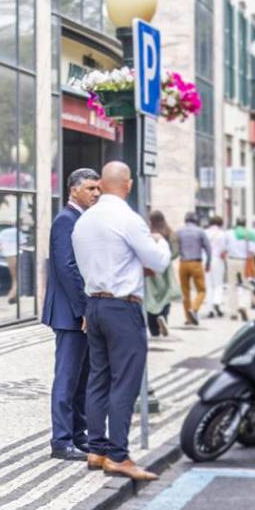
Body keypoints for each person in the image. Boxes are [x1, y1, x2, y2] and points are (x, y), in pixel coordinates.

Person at [71, 162, 170, 482]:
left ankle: (96, 449)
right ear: (127, 185)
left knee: (99, 377)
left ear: (101, 183)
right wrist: (161, 242)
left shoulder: (84, 221)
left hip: (94, 305)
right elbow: (156, 261)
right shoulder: (128, 219)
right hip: (122, 307)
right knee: (126, 379)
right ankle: (118, 455)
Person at [42, 168, 100, 461]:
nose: (96, 193)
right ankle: (61, 441)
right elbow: (66, 268)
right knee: (67, 378)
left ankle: (79, 435)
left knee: (82, 378)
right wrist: (84, 309)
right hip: (70, 314)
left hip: (81, 312)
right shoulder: (66, 220)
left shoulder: (83, 219)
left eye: (98, 188)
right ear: (74, 190)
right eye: (90, 188)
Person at [144, 211, 182, 338]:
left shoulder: (148, 233)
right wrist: (168, 259)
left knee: (151, 297)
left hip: (150, 268)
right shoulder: (169, 233)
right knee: (166, 294)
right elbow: (176, 252)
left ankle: (154, 329)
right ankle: (163, 317)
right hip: (165, 269)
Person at [174, 212, 211, 326]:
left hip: (183, 263)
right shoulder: (200, 231)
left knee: (185, 292)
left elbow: (175, 248)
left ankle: (188, 318)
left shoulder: (179, 232)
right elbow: (208, 248)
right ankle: (194, 309)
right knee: (202, 290)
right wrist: (208, 262)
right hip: (196, 263)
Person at [222, 217, 252, 321]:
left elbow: (224, 248)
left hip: (231, 260)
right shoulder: (248, 234)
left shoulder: (229, 233)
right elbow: (251, 250)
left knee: (232, 286)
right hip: (244, 261)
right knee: (246, 286)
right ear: (245, 224)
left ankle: (233, 312)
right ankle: (243, 305)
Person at [203, 215, 226, 318]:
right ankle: (217, 301)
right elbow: (225, 249)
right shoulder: (222, 234)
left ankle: (209, 309)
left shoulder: (205, 233)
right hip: (218, 259)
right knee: (218, 284)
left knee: (208, 285)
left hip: (205, 260)